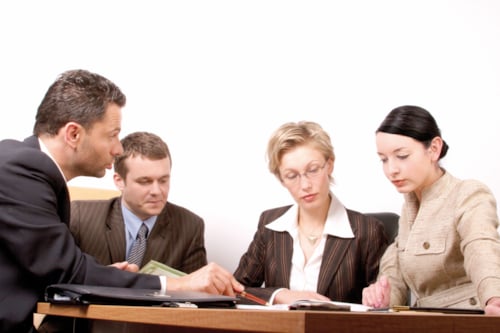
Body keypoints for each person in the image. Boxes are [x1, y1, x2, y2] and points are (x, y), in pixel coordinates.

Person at [0, 69, 242, 333]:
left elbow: (50, 272)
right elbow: (68, 272)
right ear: (73, 134)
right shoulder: (21, 170)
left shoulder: (27, 169)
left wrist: (104, 277)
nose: (117, 149)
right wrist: (177, 285)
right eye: (112, 135)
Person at [38, 131, 209, 332]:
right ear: (119, 180)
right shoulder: (80, 215)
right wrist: (99, 281)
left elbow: (197, 302)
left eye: (163, 180)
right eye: (144, 181)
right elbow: (52, 283)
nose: (157, 191)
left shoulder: (190, 226)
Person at [362, 105, 500, 315]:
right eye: (384, 159)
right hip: (423, 320)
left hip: (470, 317)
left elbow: (480, 246)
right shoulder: (408, 209)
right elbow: (396, 271)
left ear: (434, 149)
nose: (391, 169)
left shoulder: (467, 193)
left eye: (402, 155)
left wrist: (494, 297)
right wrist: (381, 295)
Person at [234, 121, 389, 305]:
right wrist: (280, 295)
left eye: (313, 170)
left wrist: (379, 299)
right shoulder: (270, 225)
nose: (305, 185)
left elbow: (383, 306)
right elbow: (236, 291)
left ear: (329, 165)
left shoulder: (368, 231)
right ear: (281, 179)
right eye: (292, 176)